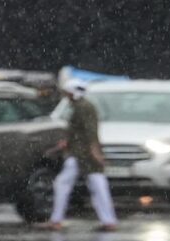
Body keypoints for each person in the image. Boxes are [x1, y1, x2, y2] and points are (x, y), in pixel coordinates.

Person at [44, 79, 117, 231]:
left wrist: (94, 152)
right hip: (81, 153)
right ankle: (108, 220)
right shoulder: (82, 106)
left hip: (82, 154)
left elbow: (90, 132)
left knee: (65, 184)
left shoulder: (83, 108)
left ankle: (56, 219)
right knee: (97, 186)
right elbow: (81, 131)